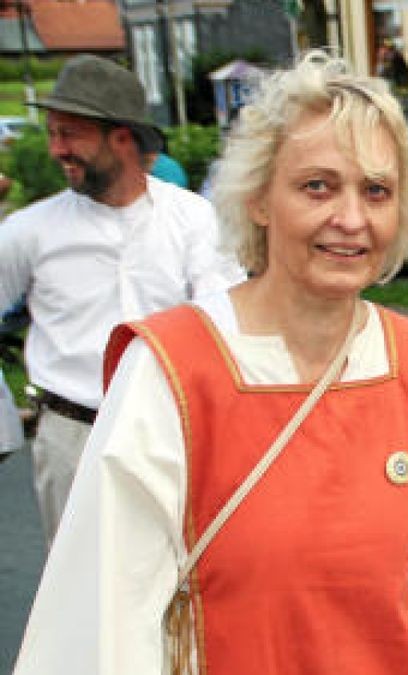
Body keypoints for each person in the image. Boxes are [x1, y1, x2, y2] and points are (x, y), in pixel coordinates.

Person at [13, 51, 408, 675]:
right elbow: (103, 611)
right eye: (317, 186)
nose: (350, 219)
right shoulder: (173, 370)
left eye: (377, 191)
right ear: (259, 199)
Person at [0, 54, 243, 544]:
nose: (56, 149)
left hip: (171, 434)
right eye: (52, 133)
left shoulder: (193, 219)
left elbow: (225, 321)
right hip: (72, 435)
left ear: (122, 138)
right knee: (78, 598)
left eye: (70, 134)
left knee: (180, 584)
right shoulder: (28, 232)